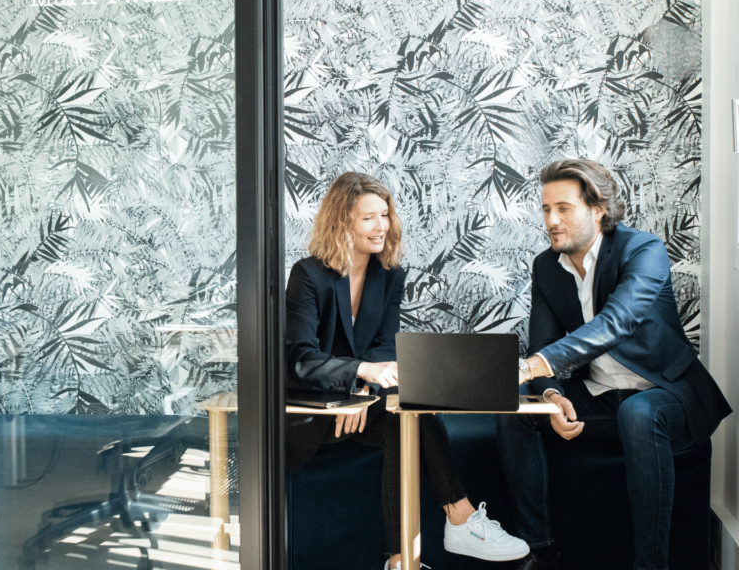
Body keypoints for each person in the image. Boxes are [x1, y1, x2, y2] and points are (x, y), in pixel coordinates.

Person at [497, 159, 733, 570]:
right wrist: (551, 393)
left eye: (563, 208)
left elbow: (617, 322)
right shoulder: (546, 266)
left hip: (665, 394)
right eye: (546, 209)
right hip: (601, 396)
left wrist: (532, 366)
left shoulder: (642, 250)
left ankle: (650, 565)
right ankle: (540, 549)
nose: (551, 220)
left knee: (638, 413)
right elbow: (543, 342)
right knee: (515, 407)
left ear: (598, 210)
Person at [286, 171, 529, 569]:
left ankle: (403, 558)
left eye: (384, 215)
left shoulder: (389, 275)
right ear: (342, 221)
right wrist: (354, 383)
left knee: (410, 420)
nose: (381, 225)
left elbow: (385, 346)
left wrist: (364, 391)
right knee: (408, 414)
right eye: (368, 217)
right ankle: (460, 519)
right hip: (313, 410)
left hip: (361, 404)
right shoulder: (308, 275)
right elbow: (301, 359)